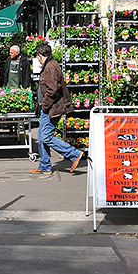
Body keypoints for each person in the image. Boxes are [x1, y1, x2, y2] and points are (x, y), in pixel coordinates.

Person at [31, 42, 84, 175]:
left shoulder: (50, 67)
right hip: (48, 108)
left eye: (38, 56)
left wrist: (45, 105)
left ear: (40, 55)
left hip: (51, 108)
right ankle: (44, 166)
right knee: (41, 136)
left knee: (46, 136)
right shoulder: (50, 65)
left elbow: (53, 89)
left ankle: (74, 154)